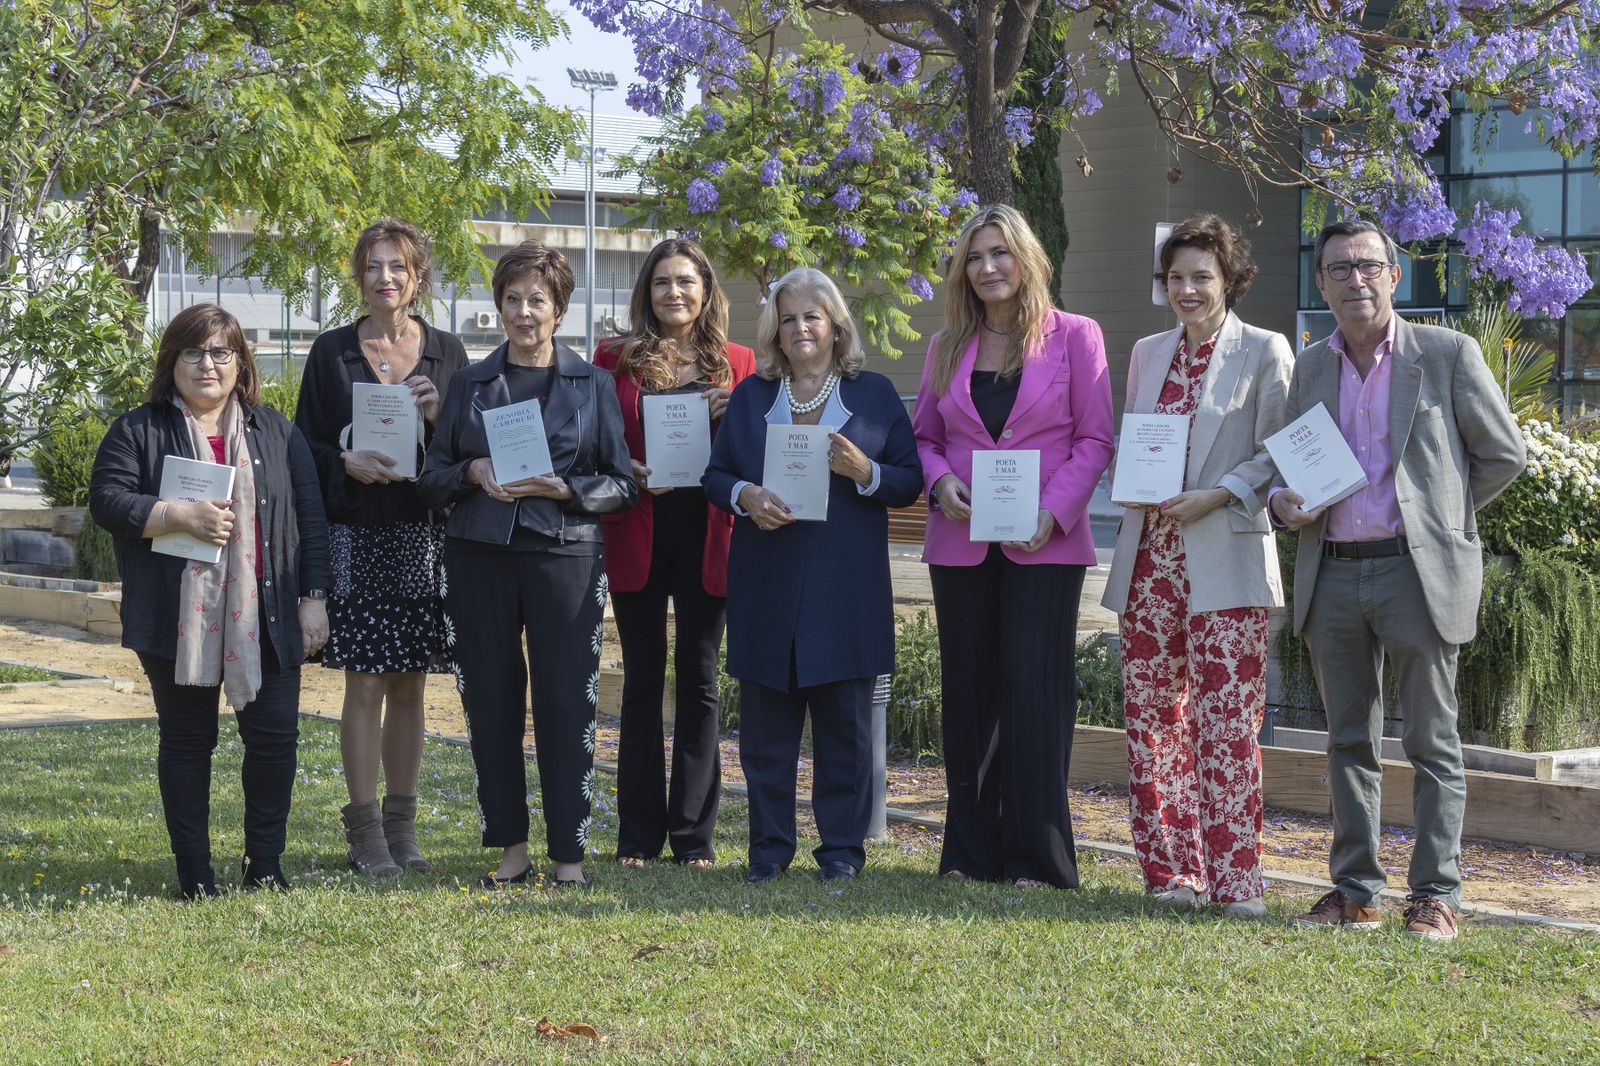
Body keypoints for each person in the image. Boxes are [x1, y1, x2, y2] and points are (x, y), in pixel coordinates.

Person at [1273, 219, 1524, 940]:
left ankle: (1436, 895)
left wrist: (1441, 518)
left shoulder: (1445, 354)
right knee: (1348, 740)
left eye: (1367, 265)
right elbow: (1295, 470)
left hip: (1417, 573)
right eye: (1339, 269)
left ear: (1394, 274)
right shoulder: (1310, 368)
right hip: (1334, 575)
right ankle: (1356, 892)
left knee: (1432, 744)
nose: (1355, 279)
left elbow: (1503, 454)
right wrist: (1282, 502)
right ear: (1320, 284)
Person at [88, 303, 330, 898]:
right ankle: (195, 873)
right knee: (189, 742)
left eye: (222, 352)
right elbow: (107, 500)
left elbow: (312, 521)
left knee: (274, 741)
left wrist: (314, 599)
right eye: (193, 352)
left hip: (267, 615)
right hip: (177, 621)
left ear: (240, 362)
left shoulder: (278, 432)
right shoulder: (137, 430)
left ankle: (264, 866)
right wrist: (176, 515)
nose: (207, 364)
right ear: (172, 361)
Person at [417, 240, 637, 889]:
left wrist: (563, 489)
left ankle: (568, 855)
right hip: (479, 557)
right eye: (512, 299)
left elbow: (621, 485)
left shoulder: (592, 385)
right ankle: (511, 850)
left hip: (565, 557)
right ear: (499, 307)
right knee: (490, 705)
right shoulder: (470, 384)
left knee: (568, 703)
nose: (523, 312)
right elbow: (430, 481)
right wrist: (471, 470)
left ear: (559, 308)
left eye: (536, 300)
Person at [912, 203, 1114, 890]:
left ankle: (1038, 859)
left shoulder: (1076, 336)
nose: (988, 267)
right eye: (974, 257)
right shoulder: (946, 348)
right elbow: (924, 439)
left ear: (1027, 260)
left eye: (999, 253)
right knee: (969, 697)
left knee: (1035, 697)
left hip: (1044, 545)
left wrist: (1053, 514)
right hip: (961, 542)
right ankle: (969, 854)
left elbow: (1095, 440)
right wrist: (938, 484)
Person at [1100, 214, 1292, 919]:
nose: (1187, 289)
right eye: (1176, 277)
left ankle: (1238, 883)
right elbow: (1139, 442)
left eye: (1201, 277)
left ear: (1229, 280)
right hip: (1150, 562)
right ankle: (1170, 874)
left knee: (1227, 726)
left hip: (1227, 556)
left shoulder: (1266, 351)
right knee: (1152, 724)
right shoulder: (1148, 353)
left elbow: (1279, 449)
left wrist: (1221, 492)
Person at [703, 266, 922, 884]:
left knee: (843, 736)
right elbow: (714, 476)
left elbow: (909, 481)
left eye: (813, 317)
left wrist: (864, 470)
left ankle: (842, 854)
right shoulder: (751, 397)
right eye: (790, 318)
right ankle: (769, 852)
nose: (801, 328)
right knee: (766, 740)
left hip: (844, 587)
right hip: (767, 582)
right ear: (775, 330)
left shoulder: (874, 395)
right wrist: (744, 494)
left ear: (835, 326)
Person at [294, 218, 469, 877]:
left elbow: (469, 448)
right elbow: (303, 445)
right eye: (373, 266)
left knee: (411, 683)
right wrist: (343, 462)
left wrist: (435, 417)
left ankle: (404, 829)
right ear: (359, 277)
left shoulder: (448, 353)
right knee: (364, 682)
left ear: (418, 276)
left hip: (422, 538)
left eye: (398, 266)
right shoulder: (330, 352)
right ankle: (365, 833)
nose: (386, 277)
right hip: (357, 534)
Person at [593, 238, 757, 870]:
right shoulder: (616, 359)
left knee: (700, 680)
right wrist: (626, 468)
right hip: (639, 526)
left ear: (706, 288)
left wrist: (731, 412)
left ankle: (693, 838)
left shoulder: (738, 363)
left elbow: (755, 449)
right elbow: (598, 441)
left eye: (686, 281)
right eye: (662, 282)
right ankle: (637, 836)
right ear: (647, 292)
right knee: (640, 682)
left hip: (708, 533)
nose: (674, 293)